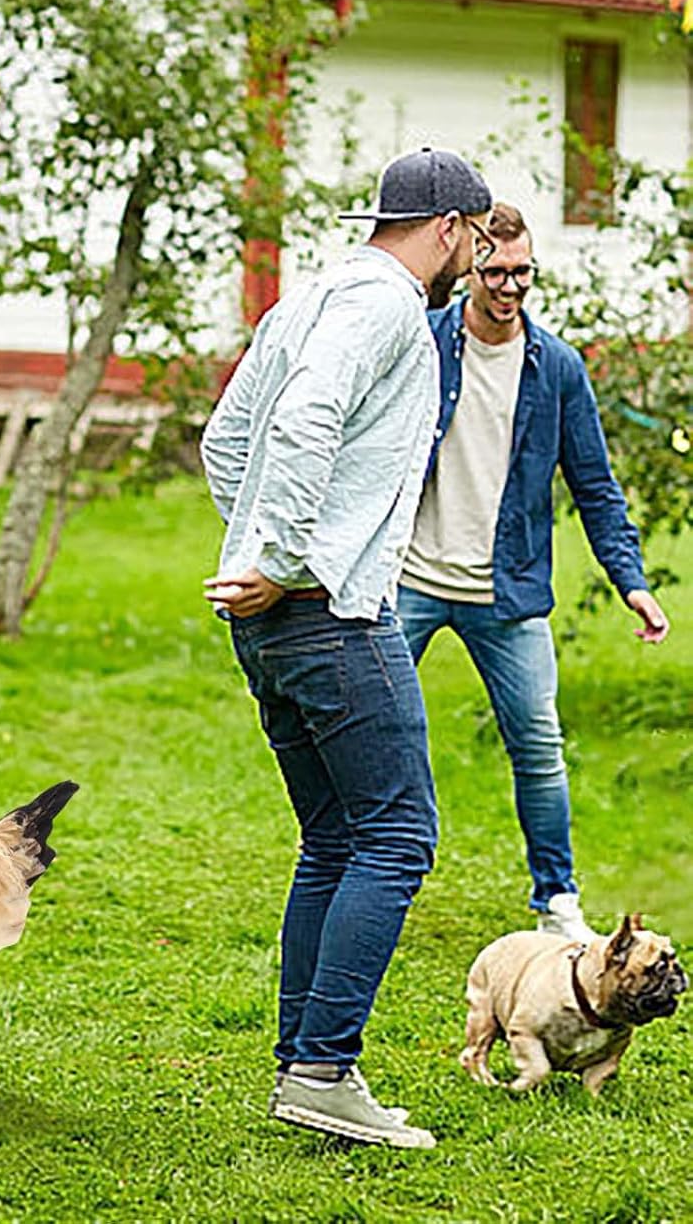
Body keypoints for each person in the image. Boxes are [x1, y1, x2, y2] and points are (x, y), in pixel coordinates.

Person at [201, 147, 493, 1150]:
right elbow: (305, 418)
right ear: (449, 228)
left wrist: (256, 553)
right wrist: (285, 559)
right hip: (328, 611)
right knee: (398, 835)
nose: (475, 258)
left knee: (333, 839)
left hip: (271, 619)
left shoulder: (307, 300)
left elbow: (226, 442)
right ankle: (325, 1067)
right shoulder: (385, 308)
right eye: (476, 238)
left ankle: (304, 1068)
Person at [397, 202, 669, 944]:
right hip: (409, 580)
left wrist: (632, 582)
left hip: (506, 593)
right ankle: (362, 867)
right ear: (470, 270)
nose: (510, 286)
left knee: (539, 747)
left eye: (523, 272)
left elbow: (596, 486)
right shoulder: (424, 344)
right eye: (495, 272)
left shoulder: (558, 370)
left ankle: (556, 897)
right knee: (370, 733)